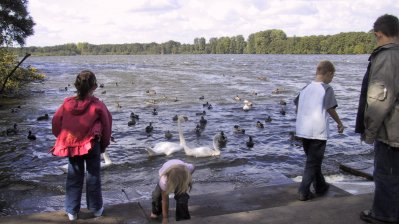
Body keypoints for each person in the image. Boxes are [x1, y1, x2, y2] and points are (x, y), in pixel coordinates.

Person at [51, 70, 112, 221]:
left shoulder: (66, 104)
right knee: (93, 176)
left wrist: (62, 138)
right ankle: (96, 208)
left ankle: (72, 211)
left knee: (74, 176)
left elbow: (56, 122)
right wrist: (103, 145)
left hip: (72, 145)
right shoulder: (98, 105)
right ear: (95, 86)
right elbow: (107, 125)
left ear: (75, 86)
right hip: (92, 144)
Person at [355, 14, 399, 223]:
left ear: (378, 34)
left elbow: (379, 99)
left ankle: (383, 215)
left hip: (392, 132)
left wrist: (369, 132)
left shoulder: (387, 56)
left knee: (386, 173)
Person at [294, 60, 344, 201]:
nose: (331, 80)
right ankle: (303, 191)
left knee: (313, 160)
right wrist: (339, 123)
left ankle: (320, 185)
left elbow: (297, 107)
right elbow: (330, 108)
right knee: (313, 162)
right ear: (329, 73)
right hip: (318, 131)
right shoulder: (326, 88)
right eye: (332, 77)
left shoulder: (305, 88)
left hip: (303, 130)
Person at [150, 159, 195, 224]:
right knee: (156, 196)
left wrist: (187, 179)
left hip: (181, 172)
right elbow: (165, 201)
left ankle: (182, 216)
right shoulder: (164, 180)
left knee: (182, 197)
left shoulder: (189, 168)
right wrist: (165, 218)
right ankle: (156, 211)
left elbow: (193, 167)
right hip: (167, 174)